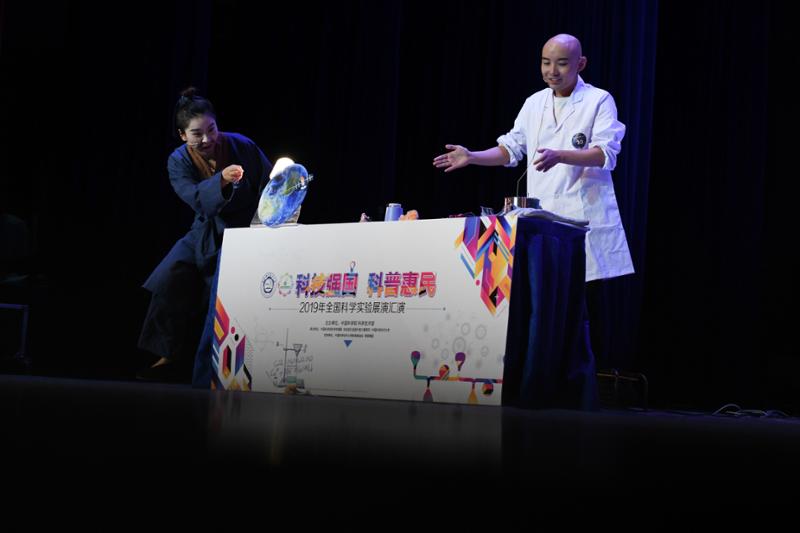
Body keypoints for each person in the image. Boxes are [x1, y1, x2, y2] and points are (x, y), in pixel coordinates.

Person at [433, 34, 634, 404]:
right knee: (541, 308)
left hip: (580, 221)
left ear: (580, 64)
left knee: (578, 311)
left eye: (561, 63)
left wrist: (561, 155)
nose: (552, 71)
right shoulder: (534, 103)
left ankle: (579, 393)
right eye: (545, 62)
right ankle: (536, 384)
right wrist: (472, 156)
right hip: (539, 221)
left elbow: (606, 154)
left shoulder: (598, 100)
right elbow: (510, 149)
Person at [137, 88, 272, 382]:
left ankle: (204, 372)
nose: (208, 139)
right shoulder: (178, 161)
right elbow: (196, 198)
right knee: (170, 275)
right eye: (197, 134)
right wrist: (221, 179)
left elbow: (270, 183)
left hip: (243, 231)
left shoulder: (241, 145)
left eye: (211, 129)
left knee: (218, 295)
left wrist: (264, 224)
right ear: (182, 135)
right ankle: (168, 354)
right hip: (205, 228)